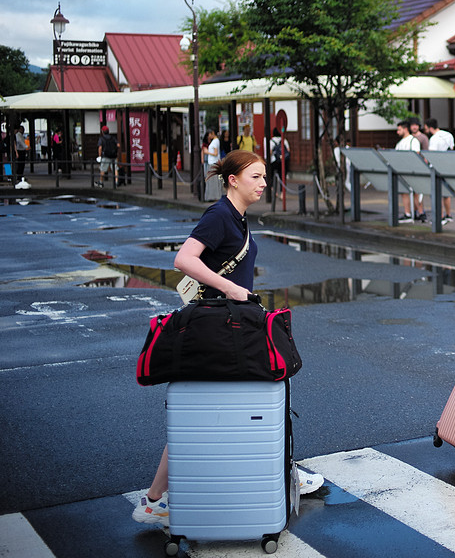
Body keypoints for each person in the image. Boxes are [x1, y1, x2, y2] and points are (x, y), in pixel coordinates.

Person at [131, 150, 323, 527]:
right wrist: (230, 289)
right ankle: (155, 500)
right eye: (255, 176)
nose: (263, 183)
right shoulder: (220, 216)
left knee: (219, 407)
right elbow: (184, 260)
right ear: (233, 179)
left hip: (228, 325)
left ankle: (157, 499)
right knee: (242, 398)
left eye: (265, 177)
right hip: (218, 327)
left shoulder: (236, 217)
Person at [425, 118, 454, 225]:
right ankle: (448, 215)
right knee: (446, 192)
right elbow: (452, 148)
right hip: (447, 166)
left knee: (436, 192)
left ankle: (439, 216)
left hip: (437, 167)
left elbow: (432, 155)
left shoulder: (433, 139)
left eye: (426, 128)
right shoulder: (448, 135)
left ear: (429, 127)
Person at [394, 121, 423, 222]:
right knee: (404, 192)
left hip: (412, 170)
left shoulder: (413, 141)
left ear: (405, 129)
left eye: (399, 129)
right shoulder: (399, 143)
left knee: (416, 192)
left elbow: (417, 155)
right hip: (402, 170)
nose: (397, 132)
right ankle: (408, 212)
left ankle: (419, 212)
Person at [202, 129, 222, 202]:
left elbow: (215, 153)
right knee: (213, 181)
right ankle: (214, 196)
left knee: (212, 180)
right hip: (214, 162)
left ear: (213, 133)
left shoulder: (215, 141)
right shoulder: (216, 141)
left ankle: (213, 196)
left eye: (210, 134)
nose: (209, 136)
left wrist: (207, 152)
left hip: (213, 162)